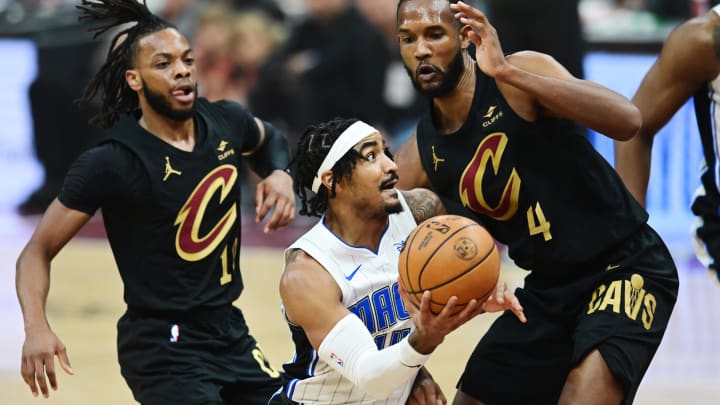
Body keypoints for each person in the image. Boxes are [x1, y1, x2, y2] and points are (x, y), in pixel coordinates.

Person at [394, 1, 679, 404]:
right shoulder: (418, 156)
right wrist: (413, 364)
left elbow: (627, 120)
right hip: (548, 290)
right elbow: (372, 252)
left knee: (583, 391)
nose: (420, 49)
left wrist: (508, 72)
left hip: (626, 265)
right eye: (408, 39)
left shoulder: (519, 74)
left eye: (433, 35)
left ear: (464, 37)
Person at [15, 0, 295, 403]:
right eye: (163, 64)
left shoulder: (225, 121)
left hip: (229, 332)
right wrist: (36, 327)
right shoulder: (112, 161)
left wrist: (278, 173)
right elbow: (35, 253)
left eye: (186, 60)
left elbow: (271, 140)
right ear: (134, 80)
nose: (181, 70)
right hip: (163, 346)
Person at [269, 117, 525, 404]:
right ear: (333, 181)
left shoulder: (419, 211)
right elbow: (369, 375)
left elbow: (434, 301)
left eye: (385, 153)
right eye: (370, 156)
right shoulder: (307, 274)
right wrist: (423, 344)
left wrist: (473, 299)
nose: (391, 166)